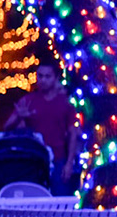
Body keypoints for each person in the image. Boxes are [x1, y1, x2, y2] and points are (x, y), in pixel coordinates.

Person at [6, 62, 79, 192]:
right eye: (40, 76)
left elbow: (73, 134)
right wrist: (19, 116)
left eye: (47, 76)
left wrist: (69, 164)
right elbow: (7, 127)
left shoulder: (65, 103)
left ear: (56, 78)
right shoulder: (28, 100)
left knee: (59, 203)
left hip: (58, 160)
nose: (43, 80)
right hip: (33, 160)